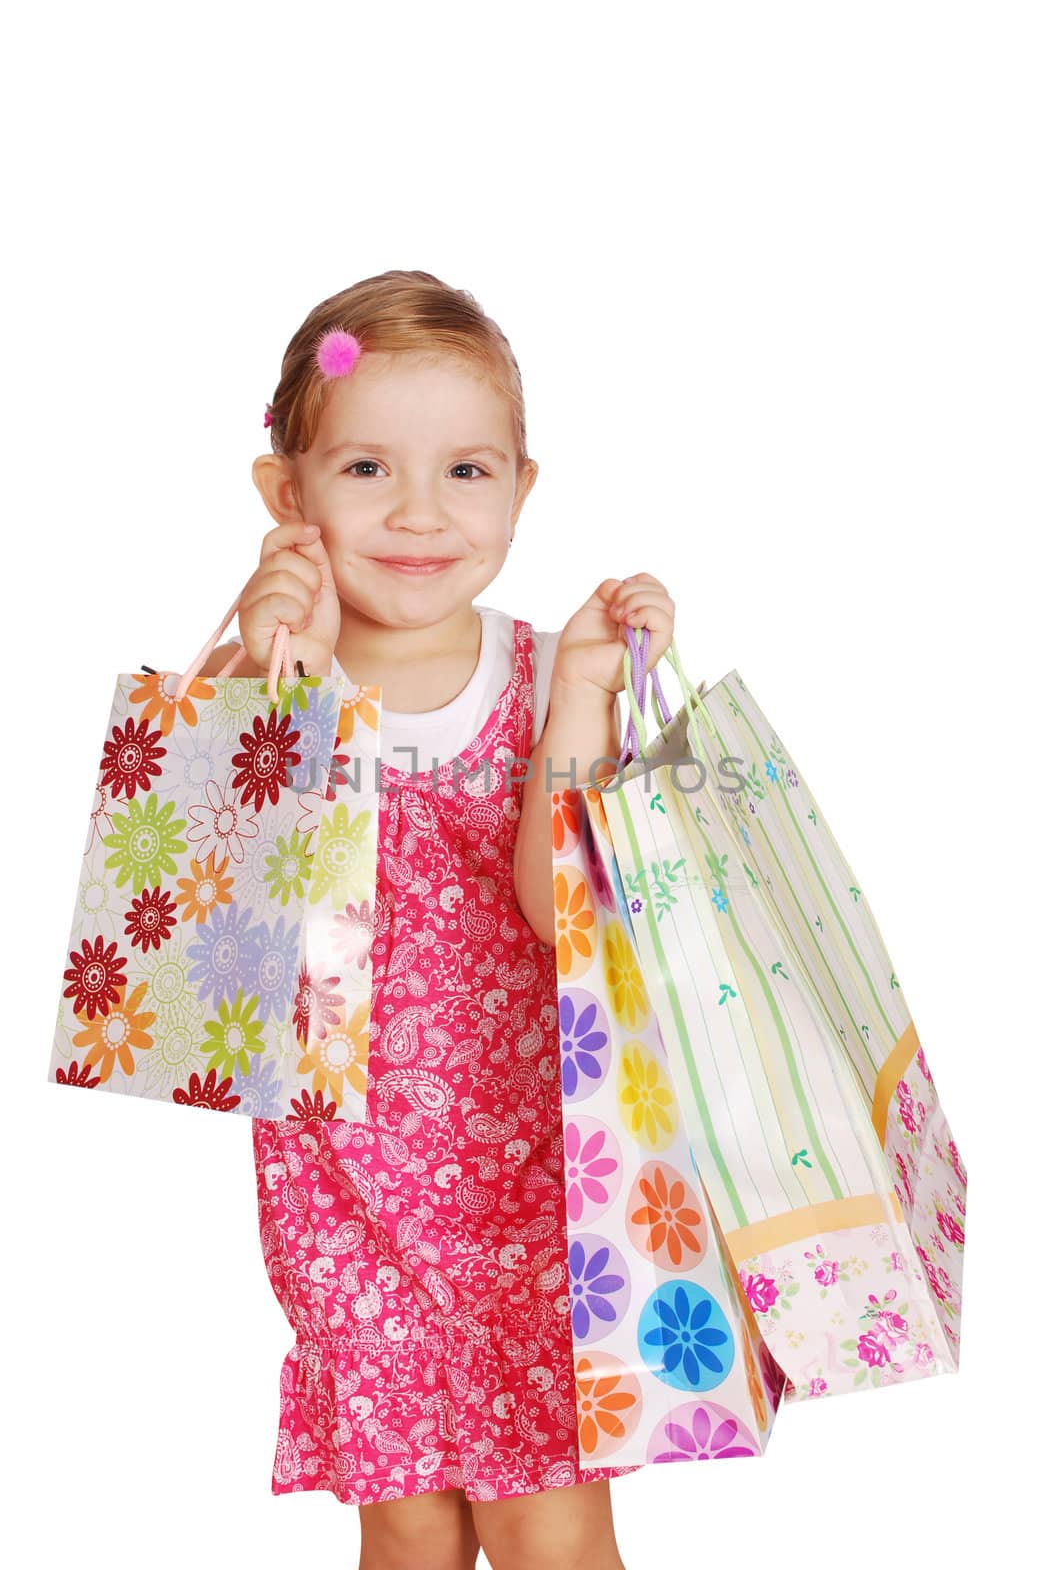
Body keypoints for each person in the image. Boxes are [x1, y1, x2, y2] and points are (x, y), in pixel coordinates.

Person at [201, 270, 676, 1570]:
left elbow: (553, 907)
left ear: (523, 485)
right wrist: (269, 666)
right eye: (366, 468)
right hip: (348, 1195)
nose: (419, 513)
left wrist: (584, 704)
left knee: (548, 1527)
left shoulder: (535, 675)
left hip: (535, 1195)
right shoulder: (259, 666)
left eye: (466, 472)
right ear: (286, 495)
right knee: (408, 1528)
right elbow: (212, 907)